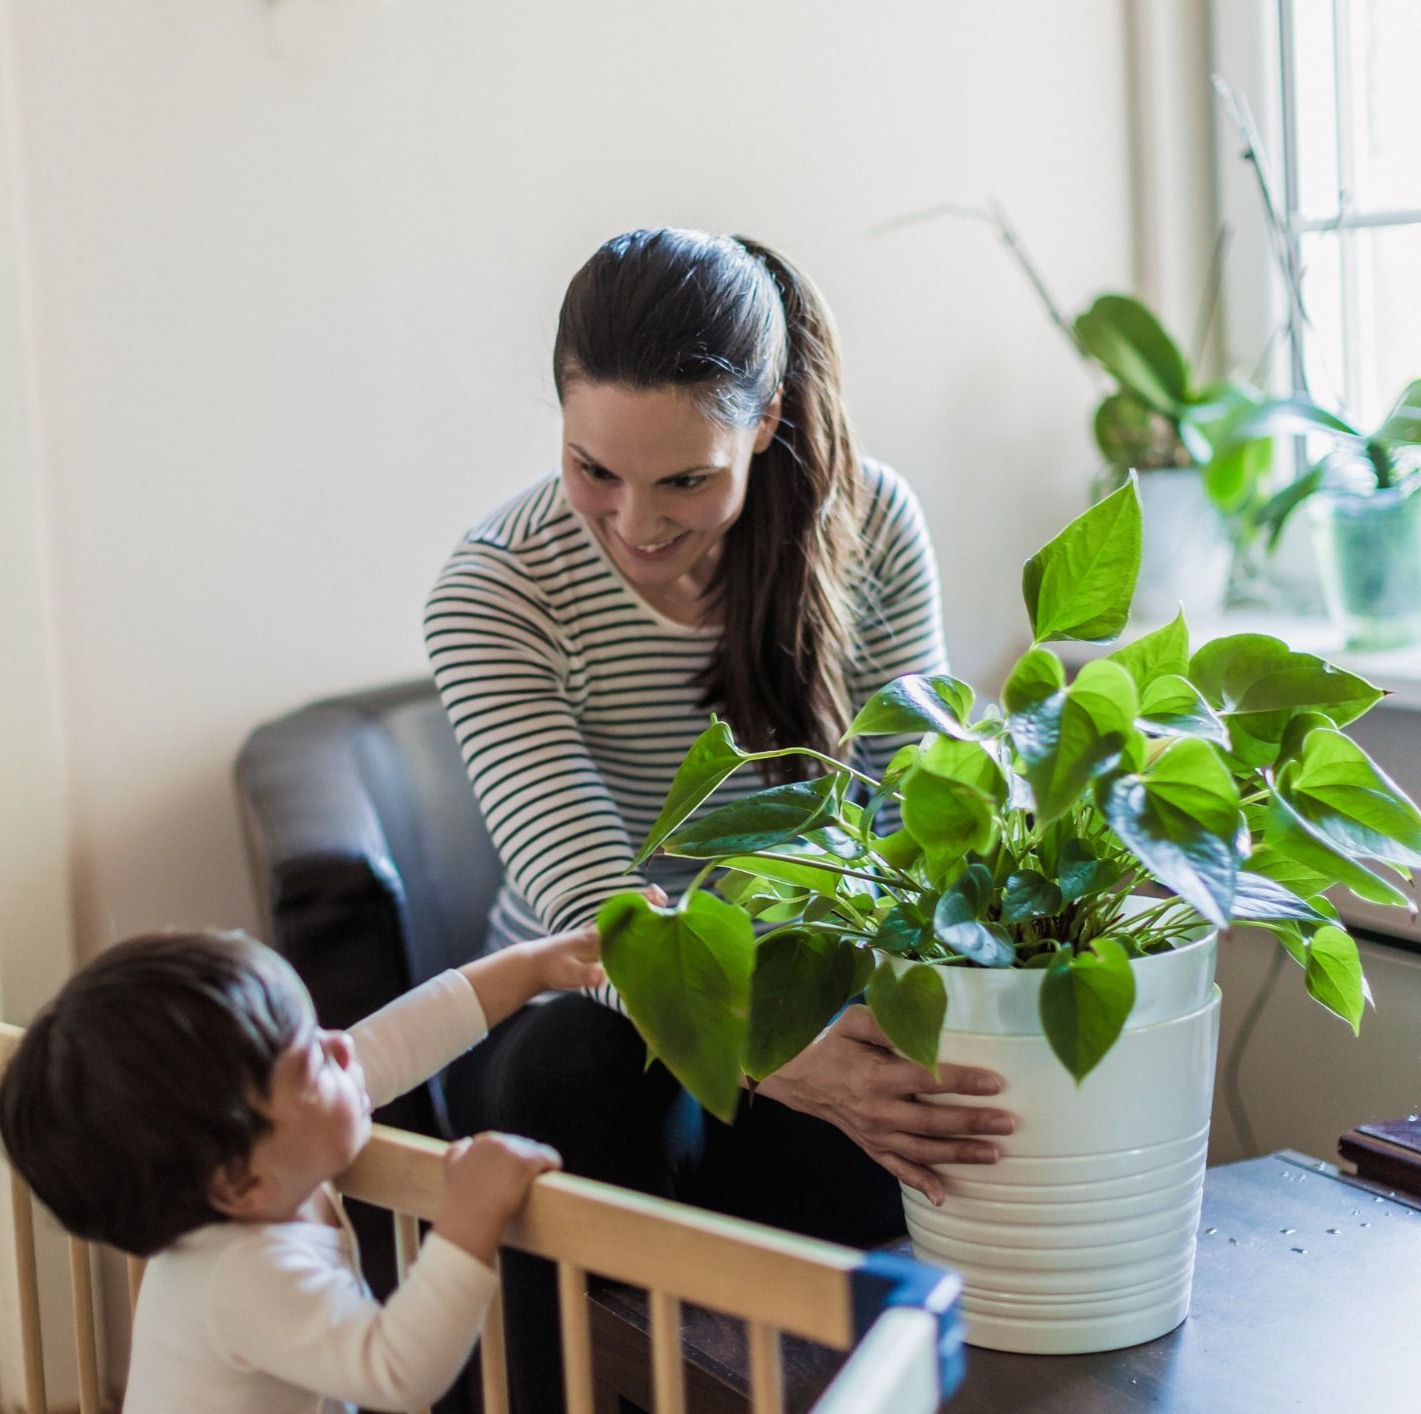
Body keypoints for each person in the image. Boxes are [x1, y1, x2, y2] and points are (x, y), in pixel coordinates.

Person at [424, 227, 1015, 1402]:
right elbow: (598, 910)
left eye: (684, 478)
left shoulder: (870, 525)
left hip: (801, 982)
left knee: (907, 1064)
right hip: (581, 1005)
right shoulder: (497, 588)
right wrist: (764, 1042)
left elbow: (916, 827)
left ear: (765, 418)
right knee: (572, 1067)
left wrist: (827, 1033)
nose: (635, 524)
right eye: (594, 469)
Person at [0, 925, 601, 1414]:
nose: (342, 1047)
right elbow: (396, 1369)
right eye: (312, 1060)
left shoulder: (270, 1154)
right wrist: (470, 1217)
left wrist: (532, 966)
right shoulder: (245, 1272)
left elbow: (403, 1037)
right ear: (241, 1184)